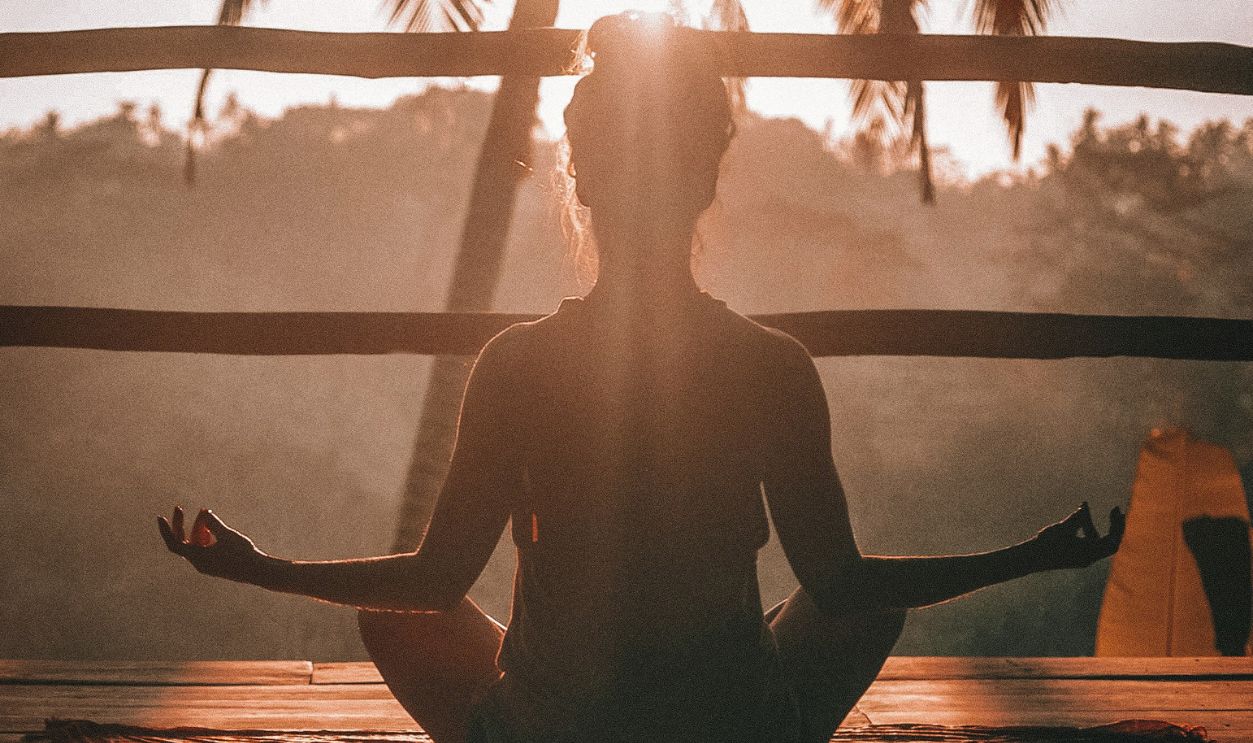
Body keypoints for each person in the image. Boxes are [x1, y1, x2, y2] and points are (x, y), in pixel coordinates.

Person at [158, 13, 1125, 743]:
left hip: (556, 730)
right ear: (707, 175)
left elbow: (434, 579)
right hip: (727, 727)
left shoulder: (519, 364)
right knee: (864, 607)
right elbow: (840, 582)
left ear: (578, 174)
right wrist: (1028, 556)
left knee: (392, 616)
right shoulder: (768, 366)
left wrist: (261, 567)